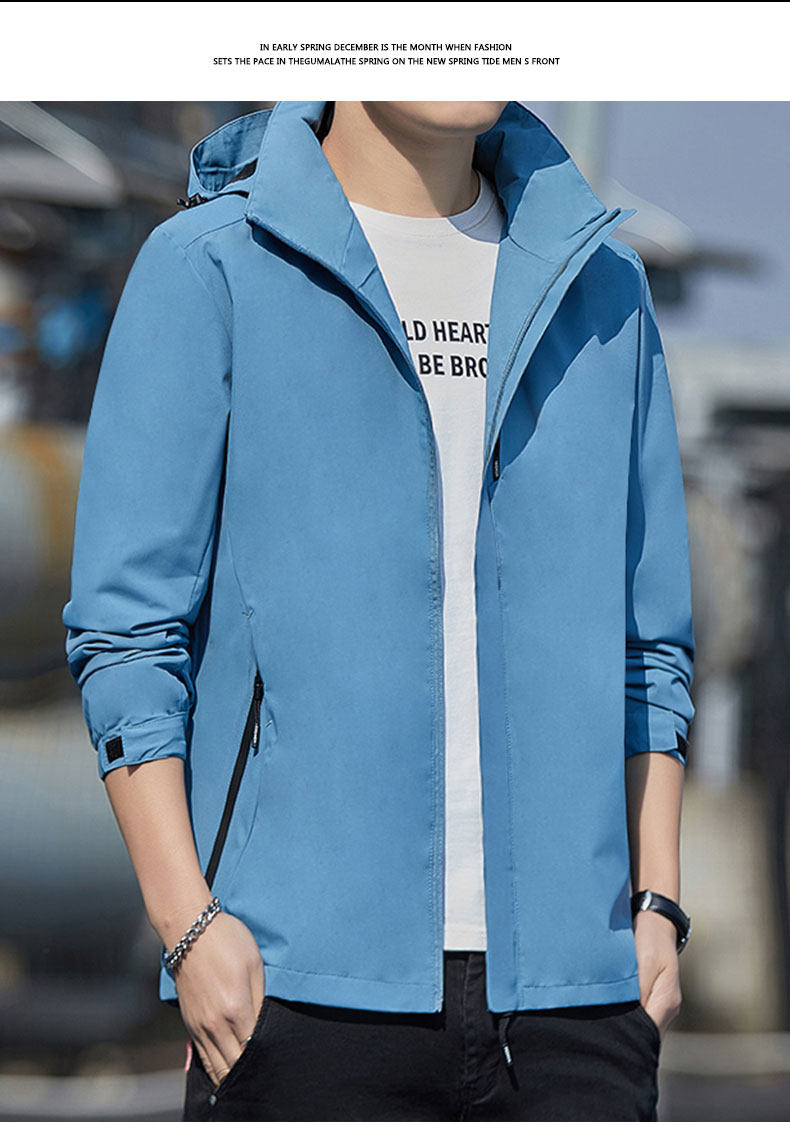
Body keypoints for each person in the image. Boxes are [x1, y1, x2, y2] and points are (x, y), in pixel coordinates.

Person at [62, 100, 695, 1121]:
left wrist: (655, 907)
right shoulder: (211, 267)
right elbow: (127, 634)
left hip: (577, 1009)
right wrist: (189, 927)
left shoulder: (603, 286)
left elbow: (648, 644)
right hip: (296, 993)